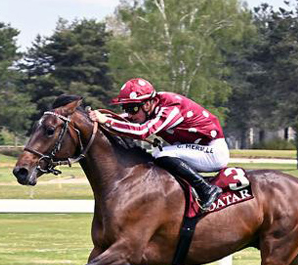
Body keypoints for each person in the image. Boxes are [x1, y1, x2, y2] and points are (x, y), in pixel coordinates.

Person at [90, 77, 227, 211]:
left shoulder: (171, 108)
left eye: (132, 109)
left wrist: (107, 121)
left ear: (147, 104)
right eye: (125, 108)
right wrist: (103, 118)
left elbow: (142, 132)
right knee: (158, 153)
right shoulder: (153, 104)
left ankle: (206, 189)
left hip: (212, 152)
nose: (130, 114)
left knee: (162, 154)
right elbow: (126, 119)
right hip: (197, 149)